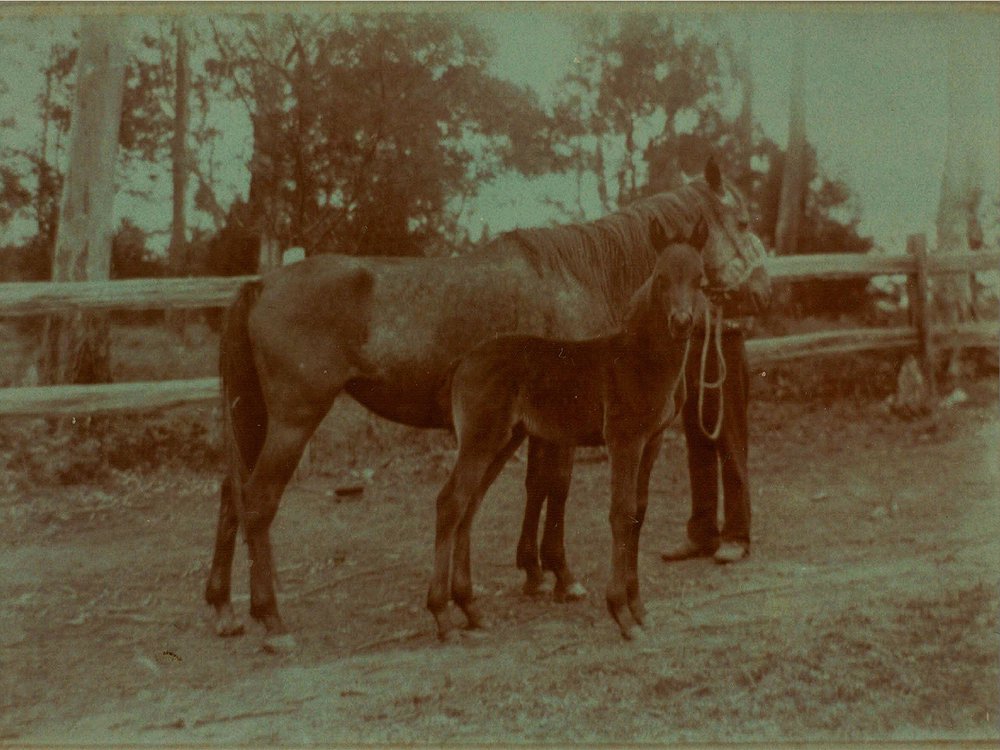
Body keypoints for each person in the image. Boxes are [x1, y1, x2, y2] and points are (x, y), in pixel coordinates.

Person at [662, 242, 771, 565]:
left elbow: (761, 295)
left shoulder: (743, 246)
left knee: (731, 440)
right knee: (696, 439)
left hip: (727, 344)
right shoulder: (687, 246)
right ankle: (702, 533)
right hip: (693, 345)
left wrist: (729, 296)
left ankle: (737, 534)